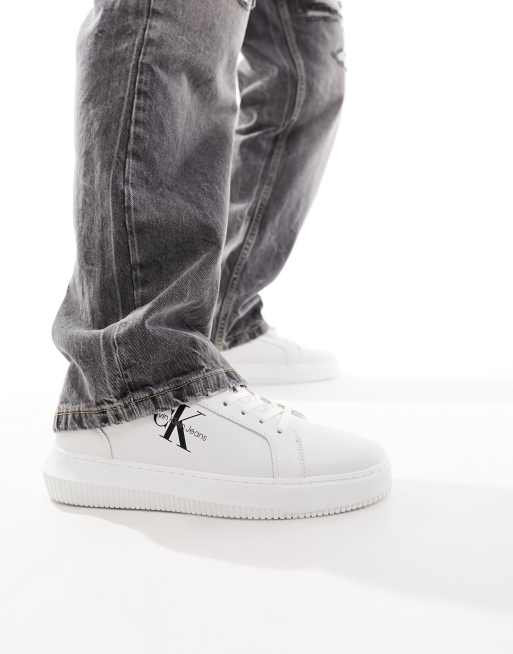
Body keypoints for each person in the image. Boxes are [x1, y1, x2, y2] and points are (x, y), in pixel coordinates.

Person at [44, 0, 390, 519]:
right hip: (137, 384)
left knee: (307, 58)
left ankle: (222, 317)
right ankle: (136, 385)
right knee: (176, 12)